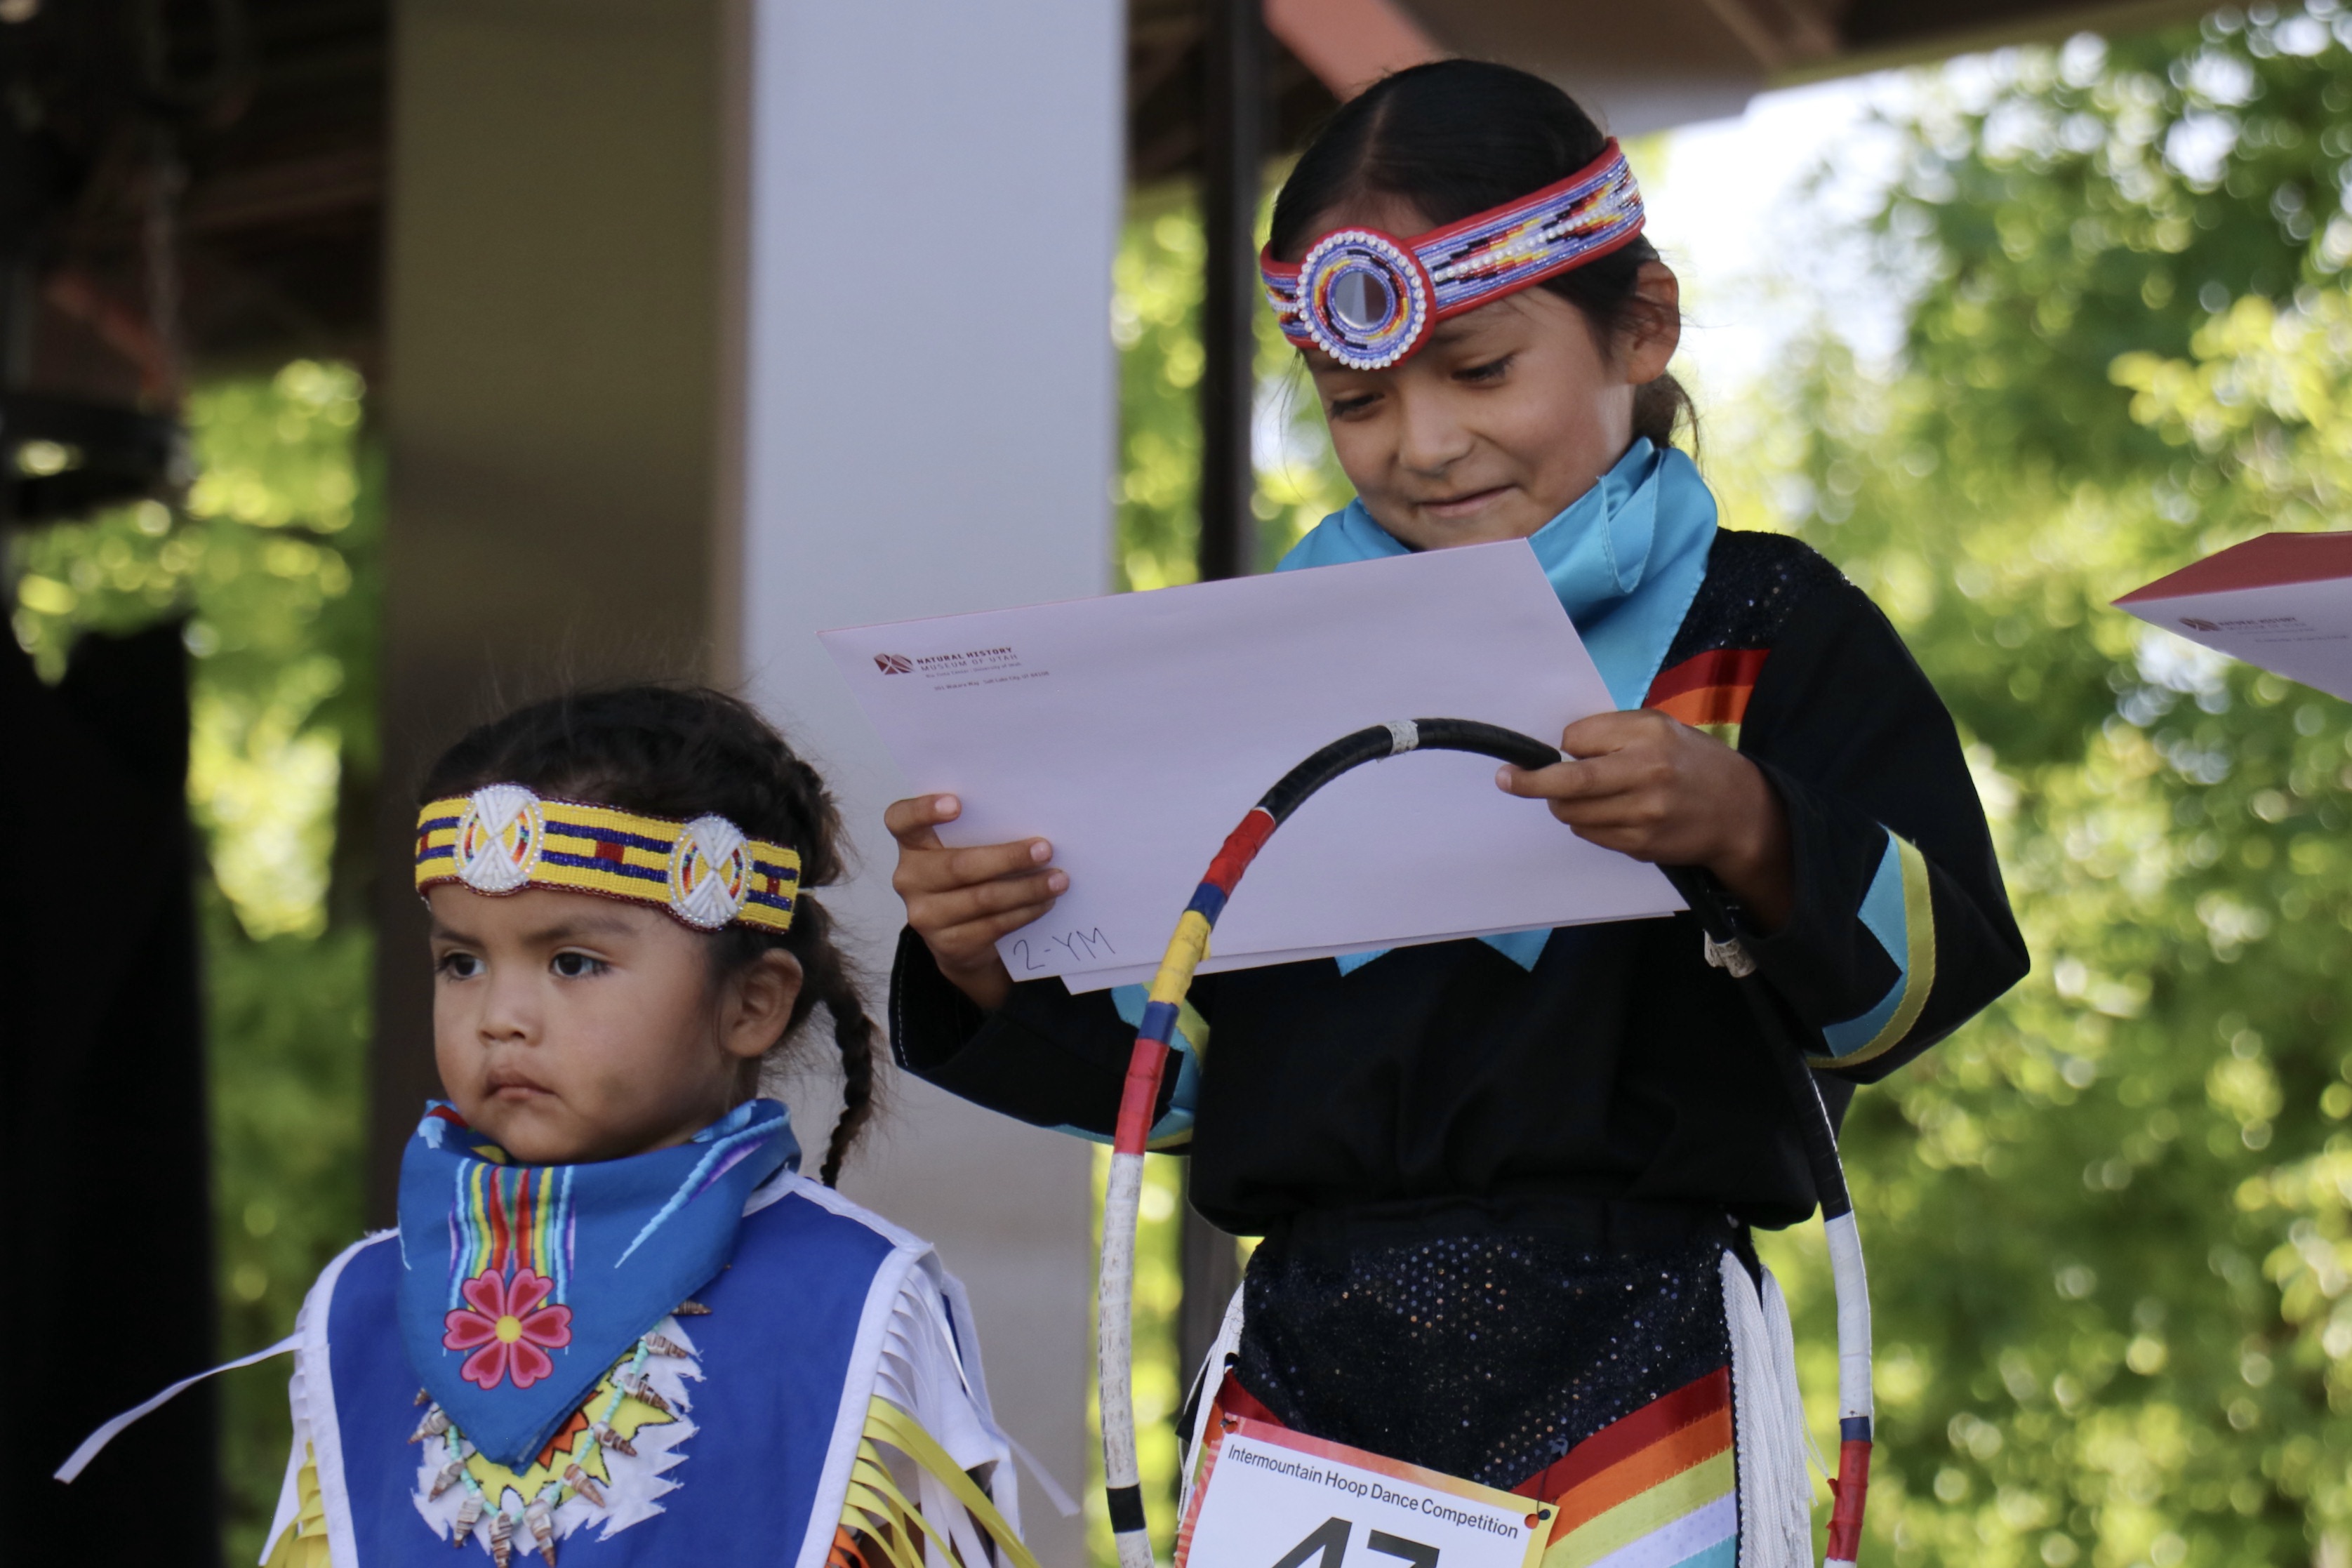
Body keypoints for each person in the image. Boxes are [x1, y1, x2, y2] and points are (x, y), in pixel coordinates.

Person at [884, 60, 2028, 1564]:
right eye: (1356, 401)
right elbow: (1181, 1081)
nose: (1420, 445)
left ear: (1642, 325)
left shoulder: (1758, 631)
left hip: (1643, 1358)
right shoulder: (1248, 672)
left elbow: (1920, 986)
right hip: (1306, 1355)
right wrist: (985, 959)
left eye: (1480, 371)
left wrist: (1744, 821)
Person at [246, 686, 1035, 1567]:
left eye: (573, 961)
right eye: (461, 961)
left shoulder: (850, 1303)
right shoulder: (362, 1300)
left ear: (751, 1002)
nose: (500, 1015)